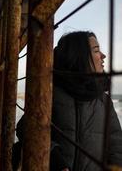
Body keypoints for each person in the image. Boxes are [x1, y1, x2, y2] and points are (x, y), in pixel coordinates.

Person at [51, 31, 122, 170]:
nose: (103, 56)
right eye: (96, 50)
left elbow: (117, 146)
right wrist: (53, 157)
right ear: (78, 55)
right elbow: (26, 127)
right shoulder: (52, 94)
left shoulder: (104, 101)